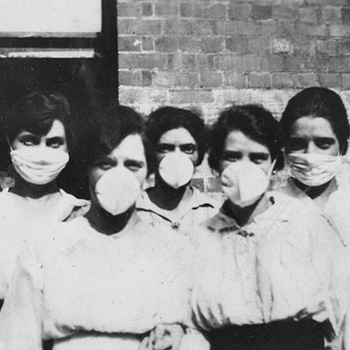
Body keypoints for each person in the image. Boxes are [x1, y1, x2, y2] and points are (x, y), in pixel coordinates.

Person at [0, 105, 208, 350]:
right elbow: (16, 339)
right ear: (87, 169)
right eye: (105, 164)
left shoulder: (175, 250)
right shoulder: (48, 246)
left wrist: (179, 338)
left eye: (132, 165)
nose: (119, 176)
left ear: (149, 172)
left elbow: (198, 335)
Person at [190, 104, 348, 350]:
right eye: (232, 157)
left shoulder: (308, 225)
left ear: (274, 164)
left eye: (258, 158)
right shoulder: (198, 239)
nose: (245, 168)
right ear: (215, 165)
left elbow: (339, 319)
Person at [0, 91, 90, 302]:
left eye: (54, 143)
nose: (42, 155)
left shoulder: (83, 214)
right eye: (30, 141)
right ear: (9, 143)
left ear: (69, 146)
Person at [279, 86, 350, 246]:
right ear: (286, 148)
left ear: (343, 148)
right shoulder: (269, 211)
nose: (310, 155)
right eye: (298, 144)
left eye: (323, 144)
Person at [137, 106, 218, 234]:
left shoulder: (213, 213)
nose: (177, 157)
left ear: (199, 156)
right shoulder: (133, 212)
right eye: (166, 148)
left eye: (187, 149)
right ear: (152, 153)